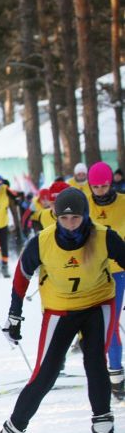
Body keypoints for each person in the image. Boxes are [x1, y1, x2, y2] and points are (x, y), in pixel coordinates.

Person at [0, 188, 124, 433]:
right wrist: (14, 315)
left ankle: (103, 430)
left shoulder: (104, 236)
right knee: (44, 375)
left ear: (86, 216)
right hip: (60, 310)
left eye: (76, 218)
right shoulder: (43, 241)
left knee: (95, 363)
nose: (70, 223)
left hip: (98, 305)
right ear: (56, 217)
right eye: (65, 218)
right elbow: (22, 276)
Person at [85, 162, 125, 400]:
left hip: (120, 270)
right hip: (97, 273)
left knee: (111, 323)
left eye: (104, 185)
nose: (100, 190)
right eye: (96, 186)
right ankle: (116, 375)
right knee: (107, 324)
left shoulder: (123, 202)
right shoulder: (85, 205)